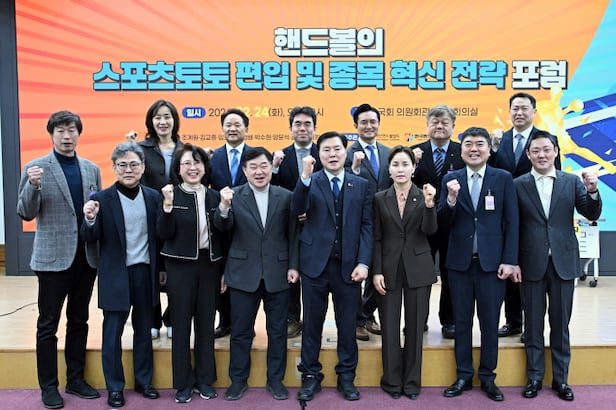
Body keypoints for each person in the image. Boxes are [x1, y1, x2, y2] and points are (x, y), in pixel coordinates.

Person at [17, 111, 101, 409]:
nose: (67, 136)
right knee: (48, 325)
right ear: (51, 134)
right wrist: (33, 185)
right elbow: (25, 212)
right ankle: (49, 386)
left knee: (79, 320)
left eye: (72, 130)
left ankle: (75, 379)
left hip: (86, 258)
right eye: (61, 130)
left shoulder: (91, 169)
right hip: (52, 260)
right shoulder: (36, 168)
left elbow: (95, 208)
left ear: (79, 133)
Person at [515, 132, 601, 401]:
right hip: (530, 262)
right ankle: (534, 377)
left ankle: (561, 380)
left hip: (563, 262)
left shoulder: (571, 181)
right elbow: (512, 226)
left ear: (555, 152)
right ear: (528, 154)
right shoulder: (517, 185)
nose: (541, 155)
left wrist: (592, 190)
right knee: (532, 325)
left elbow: (591, 212)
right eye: (536, 150)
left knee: (560, 324)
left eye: (546, 149)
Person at [438, 127, 518, 402]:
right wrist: (450, 200)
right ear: (461, 150)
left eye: (480, 144)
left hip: (492, 266)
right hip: (459, 265)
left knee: (489, 322)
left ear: (488, 149)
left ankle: (487, 376)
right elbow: (441, 223)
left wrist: (510, 260)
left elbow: (511, 222)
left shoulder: (502, 178)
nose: (474, 149)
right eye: (468, 144)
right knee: (461, 323)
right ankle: (463, 375)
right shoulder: (450, 179)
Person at [214, 147, 299, 401]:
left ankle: (276, 380)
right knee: (240, 331)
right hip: (243, 274)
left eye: (264, 166)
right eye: (253, 167)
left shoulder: (286, 196)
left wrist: (294, 265)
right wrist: (223, 207)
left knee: (278, 331)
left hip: (278, 273)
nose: (259, 172)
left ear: (271, 167)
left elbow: (294, 235)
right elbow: (222, 228)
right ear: (244, 170)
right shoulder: (233, 196)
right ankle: (238, 380)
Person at [294, 131, 373, 402]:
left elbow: (367, 226)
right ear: (318, 154)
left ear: (345, 151)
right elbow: (297, 209)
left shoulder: (360, 184)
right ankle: (310, 376)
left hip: (349, 268)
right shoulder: (310, 180)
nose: (332, 154)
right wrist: (304, 177)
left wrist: (364, 262)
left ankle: (347, 376)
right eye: (326, 149)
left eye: (337, 149)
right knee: (312, 325)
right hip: (314, 266)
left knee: (347, 326)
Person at [81, 143, 161, 408]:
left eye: (134, 164)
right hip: (116, 275)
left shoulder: (153, 197)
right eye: (122, 165)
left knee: (144, 330)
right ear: (114, 168)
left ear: (143, 167)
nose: (129, 170)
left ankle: (144, 381)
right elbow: (89, 237)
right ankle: (115, 387)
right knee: (112, 334)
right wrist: (90, 219)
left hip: (145, 272)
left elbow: (159, 237)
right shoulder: (102, 199)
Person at [490, 92, 561, 339]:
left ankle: (532, 327)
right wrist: (494, 149)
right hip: (505, 215)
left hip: (534, 214)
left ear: (534, 111)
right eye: (515, 109)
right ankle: (513, 321)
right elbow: (493, 173)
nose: (519, 113)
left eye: (524, 108)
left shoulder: (545, 140)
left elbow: (555, 177)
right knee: (510, 264)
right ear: (509, 112)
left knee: (532, 272)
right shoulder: (500, 139)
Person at [158, 144, 225, 403]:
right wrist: (167, 206)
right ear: (178, 169)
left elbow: (225, 234)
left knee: (206, 325)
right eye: (186, 163)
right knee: (181, 325)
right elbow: (163, 234)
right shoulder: (170, 194)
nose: (192, 168)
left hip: (210, 266)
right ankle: (183, 383)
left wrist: (224, 272)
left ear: (205, 167)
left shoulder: (215, 196)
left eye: (197, 162)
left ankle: (205, 380)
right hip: (179, 267)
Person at [373, 146, 437, 400]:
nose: (400, 169)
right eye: (395, 165)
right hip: (388, 269)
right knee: (389, 327)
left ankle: (411, 383)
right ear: (389, 170)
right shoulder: (380, 198)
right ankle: (391, 381)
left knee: (414, 328)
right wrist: (376, 271)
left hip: (418, 268)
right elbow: (377, 238)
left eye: (405, 164)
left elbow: (430, 231)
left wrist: (430, 205)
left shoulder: (424, 195)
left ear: (413, 168)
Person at [126, 99, 184, 340]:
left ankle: (172, 318)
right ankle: (152, 319)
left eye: (167, 116)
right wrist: (128, 147)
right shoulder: (140, 148)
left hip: (178, 218)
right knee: (150, 269)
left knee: (176, 270)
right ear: (151, 121)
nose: (163, 121)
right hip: (148, 217)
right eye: (158, 117)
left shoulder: (184, 149)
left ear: (174, 120)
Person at [411, 105, 465, 339]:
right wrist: (412, 165)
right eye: (435, 122)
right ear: (427, 125)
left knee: (451, 274)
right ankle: (418, 319)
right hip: (422, 224)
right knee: (421, 275)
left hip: (454, 223)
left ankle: (449, 321)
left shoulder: (463, 151)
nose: (440, 126)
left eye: (445, 122)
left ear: (453, 126)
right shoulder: (414, 152)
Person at [271, 106, 322, 339]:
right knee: (290, 271)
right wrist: (274, 167)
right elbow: (273, 190)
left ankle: (313, 319)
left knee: (315, 274)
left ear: (315, 128)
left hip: (318, 223)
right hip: (288, 225)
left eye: (307, 124)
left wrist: (310, 211)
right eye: (298, 124)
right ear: (290, 128)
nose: (303, 128)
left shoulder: (325, 152)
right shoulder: (280, 156)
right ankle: (292, 318)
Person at [346, 103, 391, 341]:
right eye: (363, 122)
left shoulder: (389, 152)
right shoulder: (345, 153)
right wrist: (353, 169)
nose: (369, 126)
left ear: (379, 124)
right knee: (356, 271)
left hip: (384, 221)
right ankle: (356, 320)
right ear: (356, 126)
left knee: (379, 269)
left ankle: (367, 314)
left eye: (373, 121)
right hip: (356, 222)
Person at [207, 108, 253, 339]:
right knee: (221, 272)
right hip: (220, 223)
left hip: (249, 223)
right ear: (222, 129)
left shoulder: (255, 156)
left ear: (246, 128)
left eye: (237, 125)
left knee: (247, 274)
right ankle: (225, 320)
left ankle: (246, 323)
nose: (232, 129)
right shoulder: (212, 158)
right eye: (228, 125)